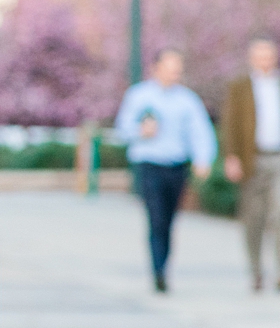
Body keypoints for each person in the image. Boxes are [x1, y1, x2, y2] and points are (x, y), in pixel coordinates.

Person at [114, 48, 215, 293]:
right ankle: (158, 270)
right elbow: (122, 130)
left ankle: (164, 264)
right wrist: (141, 131)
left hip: (176, 166)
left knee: (169, 220)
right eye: (170, 68)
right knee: (156, 218)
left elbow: (200, 132)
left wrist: (203, 159)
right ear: (156, 68)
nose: (174, 74)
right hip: (149, 165)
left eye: (177, 70)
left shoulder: (187, 100)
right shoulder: (139, 96)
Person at [222, 38, 280, 292]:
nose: (265, 60)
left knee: (278, 216)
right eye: (260, 55)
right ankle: (256, 270)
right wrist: (232, 157)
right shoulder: (240, 86)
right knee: (253, 217)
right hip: (252, 158)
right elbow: (230, 123)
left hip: (277, 156)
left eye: (269, 55)